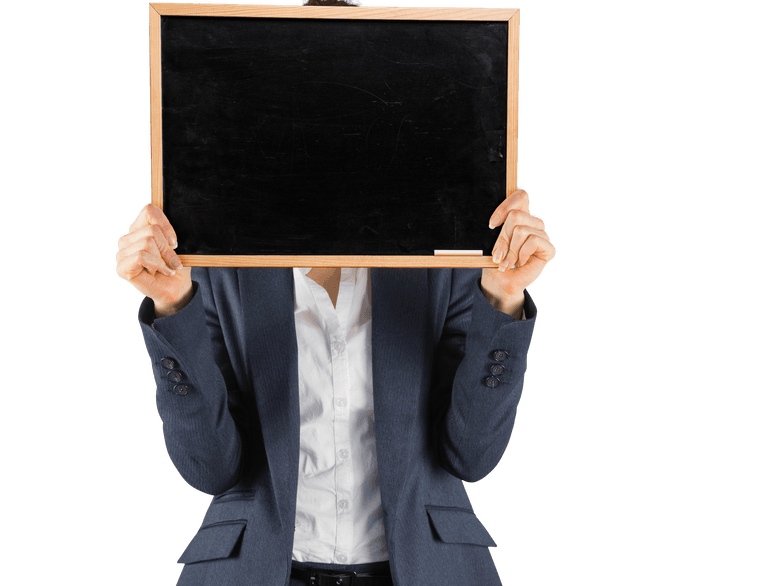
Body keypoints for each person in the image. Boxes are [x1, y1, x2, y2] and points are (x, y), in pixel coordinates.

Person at [115, 189, 555, 586]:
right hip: (255, 569)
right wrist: (173, 304)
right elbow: (210, 467)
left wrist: (502, 297)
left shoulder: (440, 254)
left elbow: (471, 454)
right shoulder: (217, 259)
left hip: (426, 567)